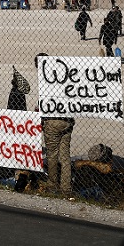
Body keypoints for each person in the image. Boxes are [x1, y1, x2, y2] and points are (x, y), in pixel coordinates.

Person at [37, 52, 75, 195]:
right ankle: (66, 188)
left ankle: (52, 185)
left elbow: (44, 104)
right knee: (65, 156)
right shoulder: (65, 75)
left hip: (53, 120)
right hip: (68, 120)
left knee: (52, 154)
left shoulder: (47, 80)